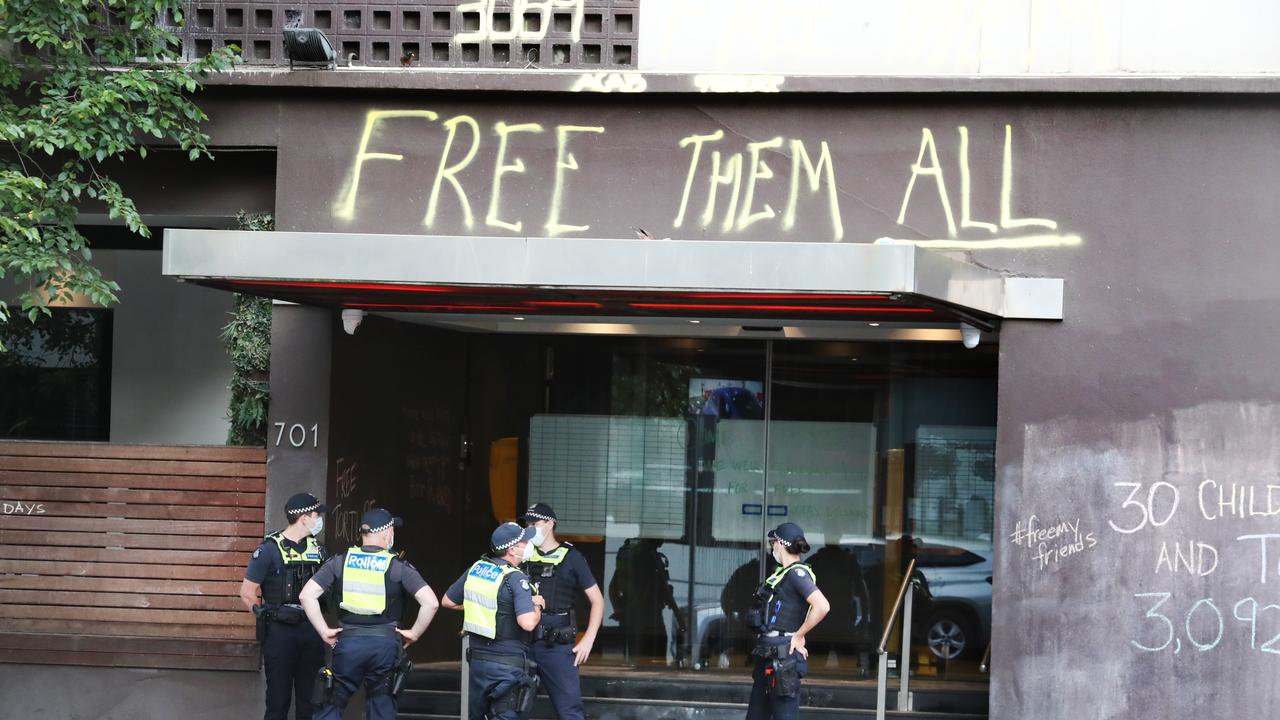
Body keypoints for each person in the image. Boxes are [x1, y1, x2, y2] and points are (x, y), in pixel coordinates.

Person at [298, 508, 439, 720]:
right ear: (386, 533)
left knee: (331, 703)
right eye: (392, 529)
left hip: (348, 644)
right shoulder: (398, 566)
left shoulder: (340, 561)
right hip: (385, 646)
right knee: (381, 706)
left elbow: (306, 595)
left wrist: (323, 630)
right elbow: (431, 603)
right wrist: (414, 633)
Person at [441, 522, 546, 720]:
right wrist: (537, 605)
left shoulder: (477, 569)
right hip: (508, 667)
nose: (528, 544)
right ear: (512, 550)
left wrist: (482, 606)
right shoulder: (516, 579)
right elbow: (528, 623)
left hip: (479, 664)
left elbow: (447, 601)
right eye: (524, 541)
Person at [240, 492, 329, 720]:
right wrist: (258, 612)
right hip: (280, 632)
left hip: (311, 630)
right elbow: (247, 592)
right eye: (317, 514)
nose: (320, 519)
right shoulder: (269, 550)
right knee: (278, 702)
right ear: (304, 518)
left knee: (311, 701)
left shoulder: (319, 551)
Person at [519, 503, 604, 720]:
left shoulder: (572, 557)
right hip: (522, 643)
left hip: (555, 646)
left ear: (550, 524)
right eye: (527, 524)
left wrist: (588, 639)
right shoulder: (522, 554)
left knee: (569, 711)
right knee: (512, 708)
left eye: (535, 523)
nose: (530, 528)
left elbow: (597, 601)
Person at [745, 522, 830, 720]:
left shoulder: (796, 573)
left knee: (785, 716)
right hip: (767, 653)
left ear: (780, 544)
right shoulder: (782, 573)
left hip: (784, 657)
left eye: (773, 542)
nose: (772, 547)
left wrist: (799, 635)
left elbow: (822, 606)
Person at [609, 537, 684, 666]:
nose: (664, 538)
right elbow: (658, 588)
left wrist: (621, 610)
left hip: (632, 620)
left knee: (635, 661)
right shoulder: (649, 557)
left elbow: (613, 588)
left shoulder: (634, 554)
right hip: (649, 620)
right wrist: (680, 619)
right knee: (655, 661)